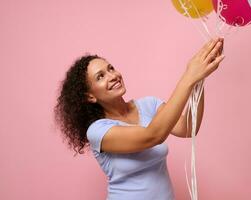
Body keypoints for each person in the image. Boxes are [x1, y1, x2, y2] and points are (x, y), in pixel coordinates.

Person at [54, 37, 224, 200]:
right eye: (100, 76)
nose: (112, 76)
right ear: (90, 96)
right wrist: (189, 77)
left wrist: (199, 80)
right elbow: (153, 135)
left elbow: (188, 128)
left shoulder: (149, 105)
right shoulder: (98, 131)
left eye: (111, 68)